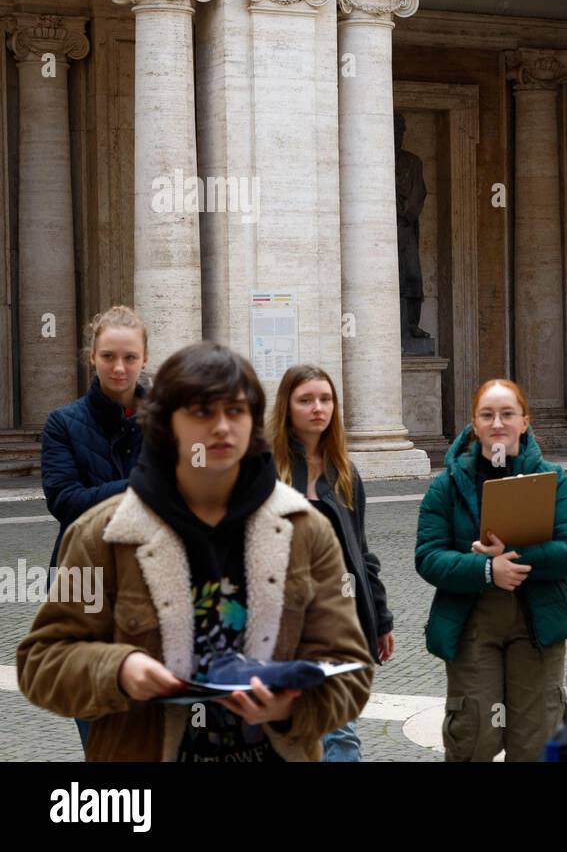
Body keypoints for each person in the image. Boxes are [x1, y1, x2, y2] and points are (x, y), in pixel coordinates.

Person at [17, 341, 371, 761]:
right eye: (202, 412)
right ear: (166, 426)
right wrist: (119, 670)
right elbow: (43, 663)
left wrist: (291, 708)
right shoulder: (101, 535)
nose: (221, 427)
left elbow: (350, 668)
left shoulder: (304, 529)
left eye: (236, 411)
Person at [415, 378, 567, 761]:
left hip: (537, 621)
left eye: (508, 414)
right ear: (474, 425)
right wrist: (486, 570)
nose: (498, 423)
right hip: (471, 622)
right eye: (487, 415)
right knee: (474, 736)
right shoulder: (445, 486)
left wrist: (512, 554)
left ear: (525, 422)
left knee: (535, 740)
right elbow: (428, 556)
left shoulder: (552, 478)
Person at [39, 305, 150, 749]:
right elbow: (66, 502)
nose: (119, 367)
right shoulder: (63, 423)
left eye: (129, 357)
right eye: (108, 357)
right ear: (92, 358)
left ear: (144, 359)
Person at [270, 364, 393, 762]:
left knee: (342, 736)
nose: (317, 408)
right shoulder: (266, 472)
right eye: (306, 400)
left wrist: (381, 617)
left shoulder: (344, 473)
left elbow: (361, 552)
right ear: (287, 407)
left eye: (325, 399)